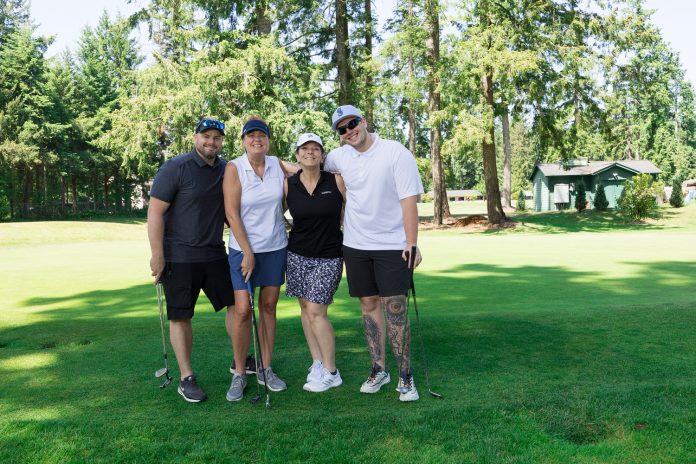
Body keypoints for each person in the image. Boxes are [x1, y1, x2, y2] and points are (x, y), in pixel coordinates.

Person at [325, 105, 424, 402]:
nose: (349, 131)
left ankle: (405, 376)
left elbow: (409, 200)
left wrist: (412, 242)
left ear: (364, 121)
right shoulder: (338, 156)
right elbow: (312, 163)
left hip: (392, 245)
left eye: (352, 123)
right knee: (368, 306)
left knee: (394, 308)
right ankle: (379, 368)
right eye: (341, 129)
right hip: (355, 245)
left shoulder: (395, 152)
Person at [147, 117, 235, 403]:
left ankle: (240, 360)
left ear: (222, 141)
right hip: (180, 257)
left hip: (214, 254)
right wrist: (158, 255)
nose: (212, 142)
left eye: (217, 137)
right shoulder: (176, 167)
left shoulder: (227, 169)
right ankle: (186, 378)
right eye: (206, 136)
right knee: (181, 315)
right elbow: (155, 213)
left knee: (237, 306)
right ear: (195, 137)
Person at [223, 116, 288, 402]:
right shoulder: (234, 168)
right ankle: (239, 372)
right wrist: (247, 252)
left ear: (268, 139)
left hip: (275, 247)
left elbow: (308, 169)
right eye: (251, 136)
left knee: (269, 307)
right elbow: (232, 213)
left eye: (261, 135)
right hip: (242, 249)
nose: (256, 139)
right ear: (243, 140)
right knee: (242, 311)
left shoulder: (277, 164)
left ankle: (265, 368)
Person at [284, 133, 346, 392]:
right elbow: (274, 213)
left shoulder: (337, 180)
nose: (310, 152)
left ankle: (332, 372)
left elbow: (356, 210)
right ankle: (317, 362)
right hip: (297, 255)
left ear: (322, 156)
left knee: (317, 312)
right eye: (304, 148)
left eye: (316, 149)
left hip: (329, 256)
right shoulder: (289, 185)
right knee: (305, 311)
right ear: (298, 155)